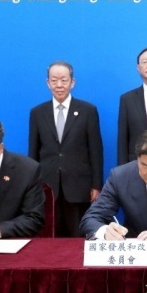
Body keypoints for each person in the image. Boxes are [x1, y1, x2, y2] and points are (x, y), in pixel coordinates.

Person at [28, 61, 104, 237]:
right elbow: (33, 151)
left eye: (64, 80)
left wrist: (96, 185)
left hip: (79, 184)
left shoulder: (87, 110)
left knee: (78, 235)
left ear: (72, 82)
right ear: (48, 83)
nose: (59, 85)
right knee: (51, 237)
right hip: (48, 185)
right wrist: (33, 185)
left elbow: (95, 150)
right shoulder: (38, 113)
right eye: (54, 80)